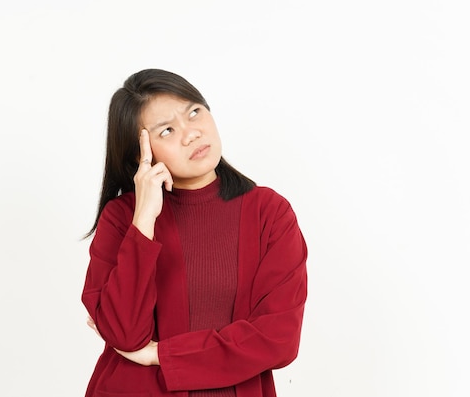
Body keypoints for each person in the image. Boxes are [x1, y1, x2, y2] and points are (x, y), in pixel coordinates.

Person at [81, 68, 308, 397]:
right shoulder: (122, 219)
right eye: (168, 130)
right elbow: (124, 334)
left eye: (194, 112)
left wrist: (160, 354)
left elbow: (278, 339)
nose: (191, 134)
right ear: (139, 153)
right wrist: (143, 219)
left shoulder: (269, 213)